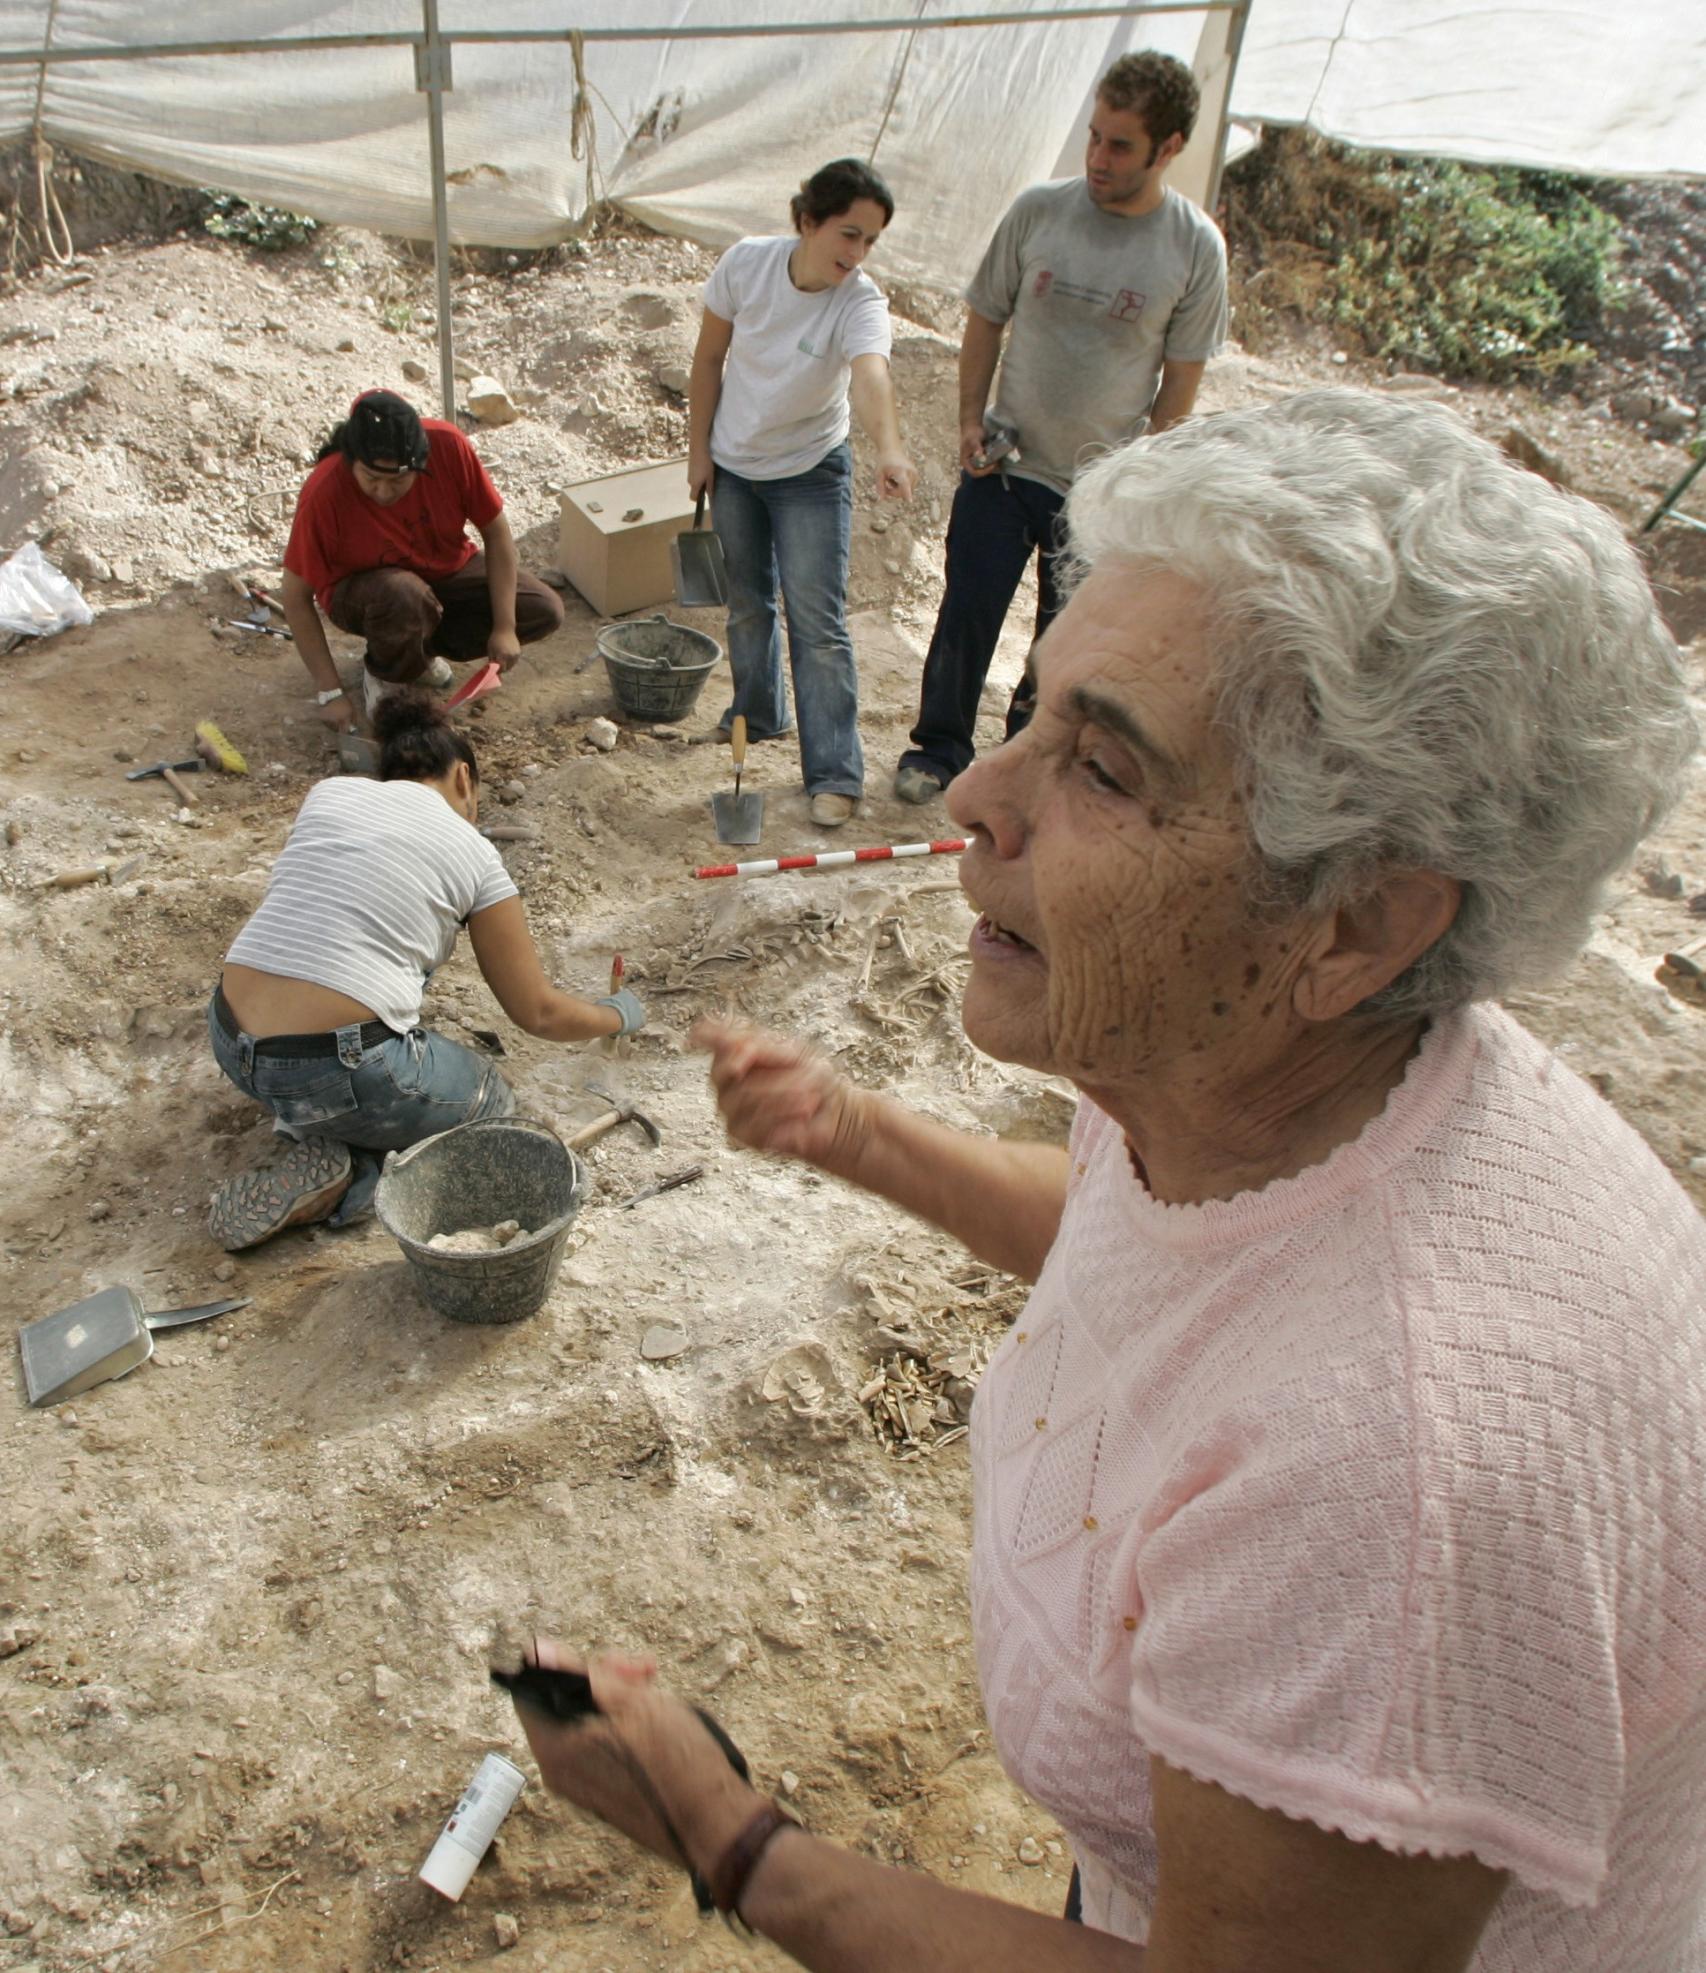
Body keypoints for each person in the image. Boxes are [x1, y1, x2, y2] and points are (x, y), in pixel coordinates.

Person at [504, 391, 1706, 1971]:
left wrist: (729, 1837)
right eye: (1035, 712)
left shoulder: (1391, 1482)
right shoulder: (1262, 1079)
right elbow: (1172, 1251)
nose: (974, 799)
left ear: (1353, 924)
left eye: (1106, 771)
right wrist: (857, 1134)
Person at [894, 50, 1228, 805]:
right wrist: (967, 420)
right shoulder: (1040, 211)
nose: (1098, 158)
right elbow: (985, 315)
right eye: (1094, 136)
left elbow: (1180, 384)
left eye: (1120, 145)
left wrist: (1142, 484)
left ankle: (1025, 766)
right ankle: (938, 748)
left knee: (1065, 643)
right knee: (966, 610)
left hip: (1100, 488)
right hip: (1004, 465)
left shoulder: (1194, 248)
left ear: (1168, 148)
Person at [205, 694, 644, 1251]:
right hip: (330, 1068)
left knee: (351, 1034)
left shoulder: (327, 795)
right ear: (464, 776)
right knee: (488, 1102)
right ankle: (353, 1180)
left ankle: (306, 1125)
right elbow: (538, 1012)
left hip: (230, 1043)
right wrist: (614, 1015)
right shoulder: (476, 852)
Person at [689, 158, 917, 828]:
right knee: (747, 607)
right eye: (849, 234)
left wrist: (891, 448)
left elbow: (871, 376)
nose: (858, 253)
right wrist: (699, 451)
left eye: (870, 241)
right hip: (735, 464)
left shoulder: (861, 302)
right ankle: (757, 714)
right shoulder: (746, 266)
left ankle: (834, 772)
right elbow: (708, 359)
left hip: (811, 473)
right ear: (807, 221)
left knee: (818, 625)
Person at [281, 389, 565, 734]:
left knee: (542, 609)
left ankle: (415, 655)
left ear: (421, 464)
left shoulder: (448, 446)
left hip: (445, 570)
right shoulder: (324, 491)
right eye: (371, 479)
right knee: (403, 595)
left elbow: (496, 532)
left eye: (398, 481)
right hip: (366, 594)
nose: (384, 493)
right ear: (350, 460)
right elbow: (296, 597)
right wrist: (330, 692)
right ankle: (388, 673)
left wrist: (504, 628)